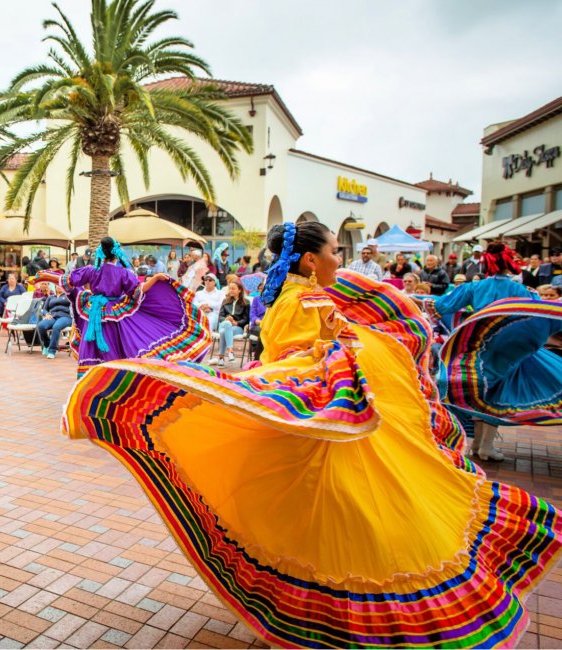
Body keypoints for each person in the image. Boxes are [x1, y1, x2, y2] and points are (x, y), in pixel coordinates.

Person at [60, 220, 562, 648]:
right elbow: (305, 357)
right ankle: (357, 618)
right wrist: (346, 366)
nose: (339, 257)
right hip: (324, 428)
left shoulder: (298, 297)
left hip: (322, 427)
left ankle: (332, 612)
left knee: (336, 515)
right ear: (307, 260)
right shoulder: (306, 303)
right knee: (355, 516)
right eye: (333, 251)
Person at [37, 236, 210, 377]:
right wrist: (156, 278)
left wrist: (45, 276)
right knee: (117, 345)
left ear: (100, 253)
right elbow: (138, 293)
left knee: (92, 344)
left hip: (94, 310)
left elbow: (67, 281)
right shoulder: (123, 273)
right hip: (114, 312)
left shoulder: (91, 270)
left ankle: (90, 380)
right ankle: (113, 379)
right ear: (116, 254)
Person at [431, 242, 540, 461]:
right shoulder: (519, 289)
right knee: (496, 392)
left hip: (477, 345)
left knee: (480, 391)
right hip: (507, 347)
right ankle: (485, 446)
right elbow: (537, 313)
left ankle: (479, 445)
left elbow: (442, 306)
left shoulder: (474, 287)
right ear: (508, 262)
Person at [210, 279, 248, 367]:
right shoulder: (225, 301)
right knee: (227, 324)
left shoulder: (246, 303)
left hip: (237, 328)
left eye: (233, 289)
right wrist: (226, 319)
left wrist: (236, 323)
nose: (230, 290)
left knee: (223, 332)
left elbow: (246, 319)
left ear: (239, 290)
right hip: (224, 324)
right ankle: (230, 351)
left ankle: (221, 358)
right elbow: (220, 317)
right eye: (230, 288)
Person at [36, 283, 72, 359]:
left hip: (65, 317)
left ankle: (52, 351)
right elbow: (45, 309)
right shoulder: (51, 297)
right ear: (55, 287)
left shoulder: (68, 296)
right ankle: (47, 343)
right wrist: (46, 314)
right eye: (58, 285)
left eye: (61, 286)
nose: (59, 287)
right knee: (40, 326)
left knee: (56, 326)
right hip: (52, 316)